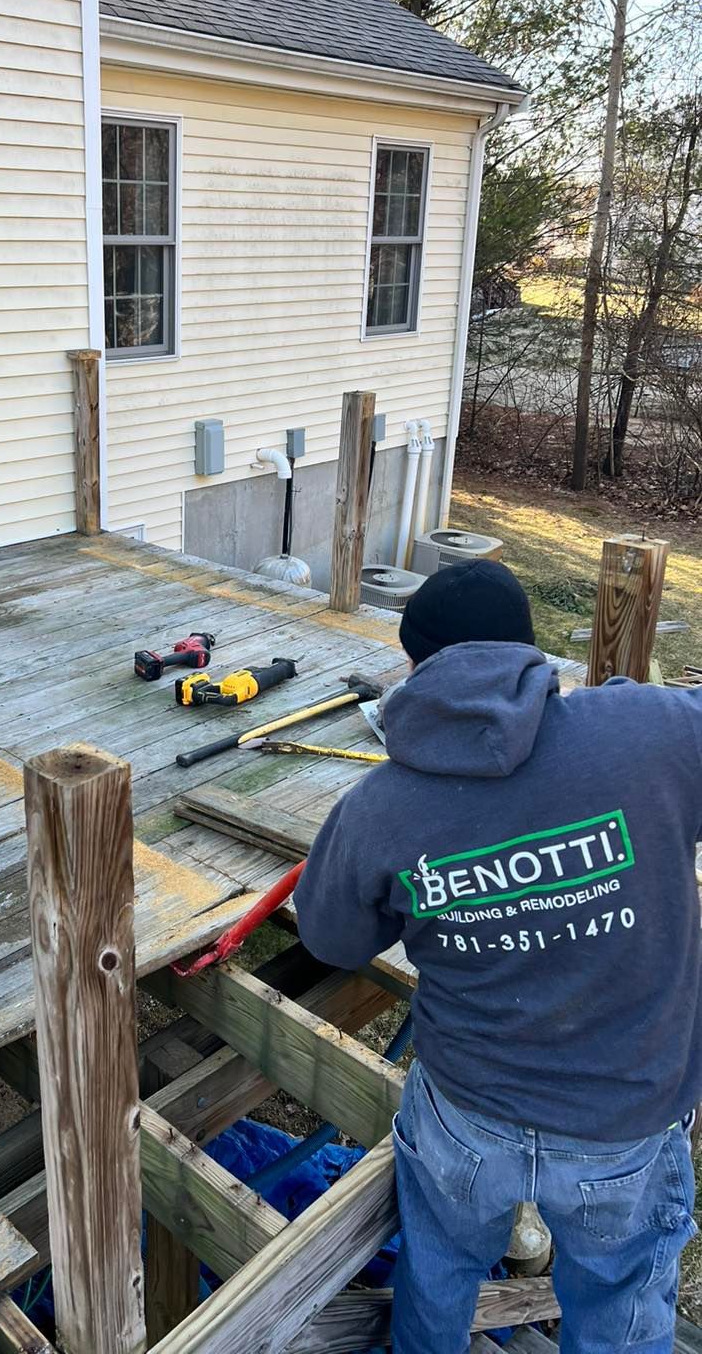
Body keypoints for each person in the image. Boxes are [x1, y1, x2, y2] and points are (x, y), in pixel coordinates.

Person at [294, 558, 702, 1354]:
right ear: (528, 651)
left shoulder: (376, 809)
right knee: (618, 1309)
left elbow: (332, 939)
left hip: (466, 1115)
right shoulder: (656, 734)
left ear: (414, 670)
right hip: (621, 1119)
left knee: (439, 1273)